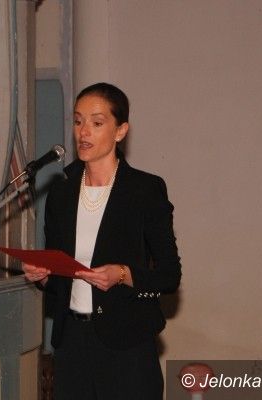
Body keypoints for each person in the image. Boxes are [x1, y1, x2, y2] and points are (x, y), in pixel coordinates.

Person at [23, 82, 181, 399]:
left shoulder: (144, 190)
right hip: (72, 344)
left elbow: (169, 276)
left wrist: (122, 274)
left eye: (96, 123)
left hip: (127, 344)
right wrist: (43, 276)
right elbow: (60, 277)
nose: (83, 132)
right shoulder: (62, 191)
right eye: (78, 121)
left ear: (120, 131)